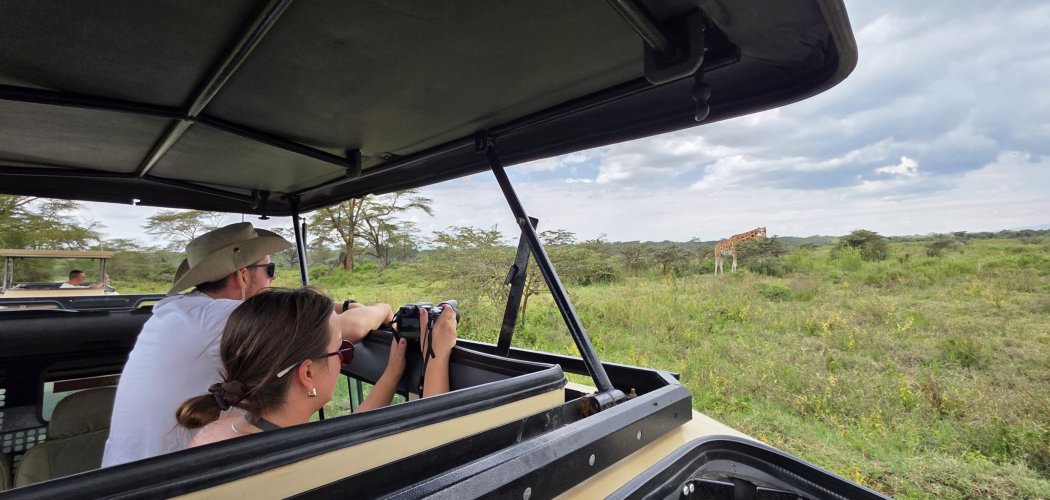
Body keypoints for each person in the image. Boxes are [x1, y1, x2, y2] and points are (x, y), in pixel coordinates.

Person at [102, 222, 393, 467]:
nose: (275, 277)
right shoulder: (219, 319)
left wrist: (345, 304)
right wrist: (382, 308)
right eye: (270, 269)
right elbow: (344, 329)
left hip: (131, 473)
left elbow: (297, 312)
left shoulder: (182, 312)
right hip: (168, 479)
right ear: (242, 276)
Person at [176, 287, 456, 446]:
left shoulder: (220, 428)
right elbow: (437, 447)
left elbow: (347, 432)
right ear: (307, 374)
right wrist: (437, 357)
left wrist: (393, 371)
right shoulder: (304, 460)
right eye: (342, 351)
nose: (344, 358)